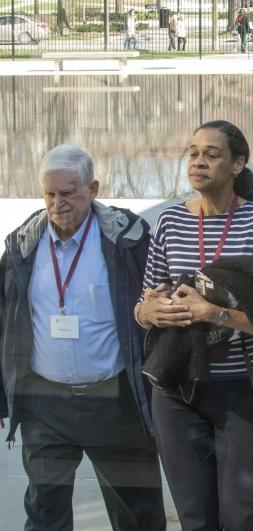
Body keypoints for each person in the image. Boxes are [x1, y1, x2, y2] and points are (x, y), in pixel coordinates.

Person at [0, 144, 166, 531]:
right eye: (50, 194)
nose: (58, 203)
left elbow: (159, 309)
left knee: (137, 515)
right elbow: (4, 321)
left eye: (68, 193)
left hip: (116, 405)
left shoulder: (128, 240)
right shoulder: (21, 246)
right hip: (46, 407)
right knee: (44, 515)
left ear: (92, 188)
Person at [136, 121, 253, 529]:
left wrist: (213, 314)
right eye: (193, 153)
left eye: (212, 154)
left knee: (242, 515)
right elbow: (145, 300)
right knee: (195, 516)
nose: (198, 162)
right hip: (177, 388)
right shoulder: (169, 223)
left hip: (244, 389)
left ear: (238, 163)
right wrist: (148, 313)